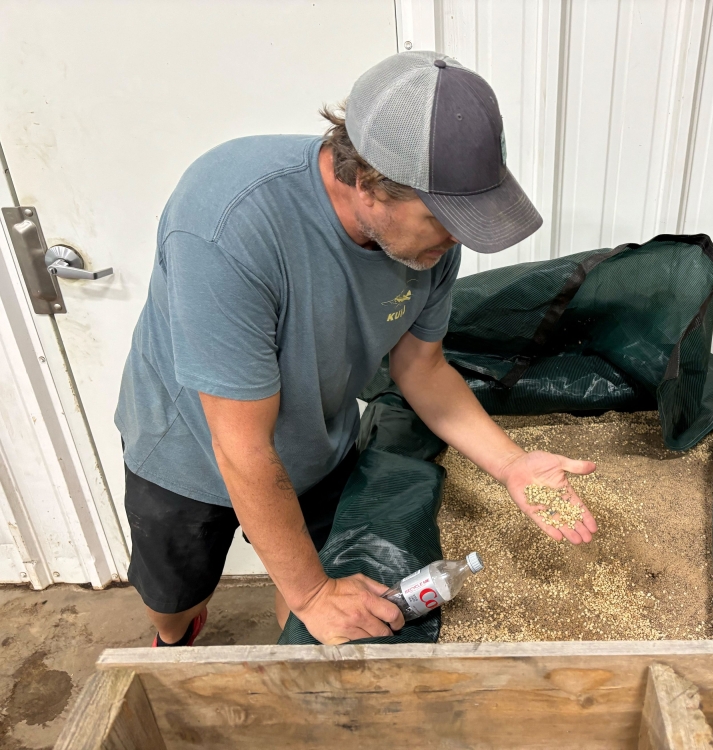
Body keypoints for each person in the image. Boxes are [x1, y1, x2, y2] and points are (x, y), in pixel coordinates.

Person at [115, 51, 598, 647]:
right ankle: (177, 636)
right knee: (176, 596)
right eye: (444, 218)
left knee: (320, 601)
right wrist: (312, 593)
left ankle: (296, 650)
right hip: (189, 452)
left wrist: (511, 463)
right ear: (368, 182)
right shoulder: (229, 223)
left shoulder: (430, 243)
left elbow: (421, 366)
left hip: (318, 442)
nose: (458, 238)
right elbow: (240, 446)